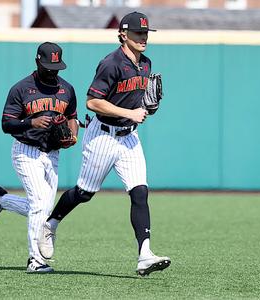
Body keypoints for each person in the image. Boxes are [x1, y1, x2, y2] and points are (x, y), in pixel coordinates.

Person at [37, 12, 171, 276]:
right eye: (137, 33)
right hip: (103, 135)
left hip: (129, 136)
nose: (143, 37)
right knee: (85, 193)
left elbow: (136, 100)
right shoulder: (111, 63)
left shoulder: (145, 64)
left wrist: (145, 107)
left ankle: (144, 254)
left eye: (146, 33)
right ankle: (50, 223)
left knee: (140, 191)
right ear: (123, 34)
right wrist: (130, 113)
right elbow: (92, 102)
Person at [0, 42, 78, 273]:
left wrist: (73, 134)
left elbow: (72, 117)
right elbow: (6, 124)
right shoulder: (21, 89)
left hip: (53, 153)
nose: (53, 71)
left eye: (56, 67)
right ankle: (35, 260)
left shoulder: (66, 89)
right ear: (38, 62)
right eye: (48, 66)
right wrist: (31, 122)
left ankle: (1, 199)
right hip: (26, 151)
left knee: (43, 209)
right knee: (39, 204)